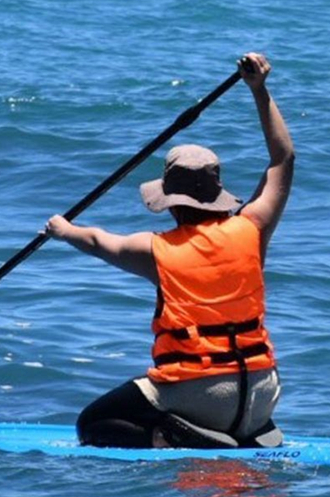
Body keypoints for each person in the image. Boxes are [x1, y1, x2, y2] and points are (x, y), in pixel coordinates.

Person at [45, 52, 294, 449]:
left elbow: (96, 240)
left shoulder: (155, 250)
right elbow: (283, 159)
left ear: (171, 203)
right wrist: (259, 91)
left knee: (93, 423)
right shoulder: (253, 228)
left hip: (203, 395)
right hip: (262, 393)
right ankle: (242, 431)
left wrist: (63, 230)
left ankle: (181, 436)